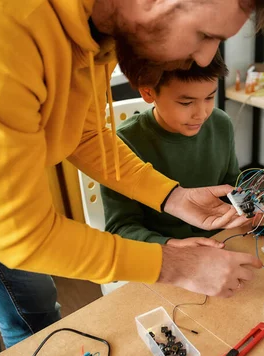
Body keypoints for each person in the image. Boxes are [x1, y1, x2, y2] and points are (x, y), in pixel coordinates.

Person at [0, 0, 264, 356]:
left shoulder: (105, 25)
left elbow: (86, 134)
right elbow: (21, 236)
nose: (206, 56)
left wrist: (172, 196)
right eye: (205, 35)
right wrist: (176, 264)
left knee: (36, 314)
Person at [102, 51, 241, 248]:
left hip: (221, 240)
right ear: (148, 92)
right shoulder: (122, 144)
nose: (201, 114)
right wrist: (170, 246)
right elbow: (120, 227)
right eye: (186, 103)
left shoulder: (220, 124)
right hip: (162, 251)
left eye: (210, 97)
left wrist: (246, 206)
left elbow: (233, 184)